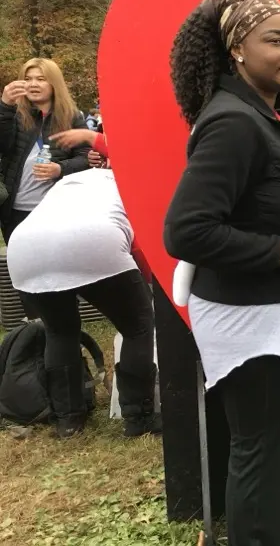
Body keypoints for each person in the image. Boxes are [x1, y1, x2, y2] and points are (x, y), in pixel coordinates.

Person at [163, 0, 280, 546]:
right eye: (274, 40)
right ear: (236, 50)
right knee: (260, 455)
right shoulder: (233, 120)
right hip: (251, 321)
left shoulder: (263, 113)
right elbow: (186, 229)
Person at [7, 162, 161, 439]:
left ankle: (69, 420)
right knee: (137, 325)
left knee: (60, 331)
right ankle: (138, 417)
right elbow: (141, 250)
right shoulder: (129, 183)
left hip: (24, 245)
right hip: (93, 237)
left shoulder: (69, 183)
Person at [0, 58, 90, 320]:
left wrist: (59, 170)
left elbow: (86, 157)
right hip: (17, 212)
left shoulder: (71, 117)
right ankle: (35, 327)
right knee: (25, 272)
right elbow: (2, 145)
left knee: (58, 268)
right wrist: (4, 105)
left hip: (54, 211)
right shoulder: (16, 114)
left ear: (54, 83)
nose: (33, 84)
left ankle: (64, 325)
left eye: (40, 79)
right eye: (28, 79)